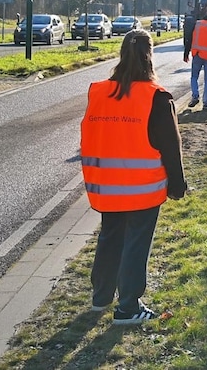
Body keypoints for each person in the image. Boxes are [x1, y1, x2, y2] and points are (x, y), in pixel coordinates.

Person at [79, 29, 187, 325]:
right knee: (136, 244)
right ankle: (127, 307)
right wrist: (177, 186)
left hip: (106, 186)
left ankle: (101, 296)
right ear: (149, 56)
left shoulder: (98, 92)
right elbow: (170, 148)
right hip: (143, 188)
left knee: (110, 236)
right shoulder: (156, 98)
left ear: (121, 54)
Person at [184, 5, 207, 110]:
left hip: (197, 54)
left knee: (194, 77)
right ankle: (206, 102)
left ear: (206, 12)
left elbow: (189, 39)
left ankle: (195, 96)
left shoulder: (197, 24)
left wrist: (186, 53)